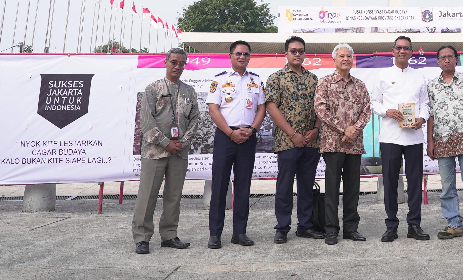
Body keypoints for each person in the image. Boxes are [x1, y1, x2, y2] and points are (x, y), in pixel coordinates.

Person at [132, 47, 200, 254]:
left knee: (174, 195)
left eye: (182, 63)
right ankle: (142, 237)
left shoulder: (189, 91)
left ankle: (169, 234)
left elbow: (195, 120)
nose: (178, 66)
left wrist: (183, 141)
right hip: (155, 152)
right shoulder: (152, 89)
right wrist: (165, 142)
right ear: (166, 62)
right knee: (148, 195)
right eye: (174, 62)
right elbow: (145, 123)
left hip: (179, 152)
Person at [264, 36, 324, 244]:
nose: (297, 54)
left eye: (300, 51)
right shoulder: (276, 78)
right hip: (287, 141)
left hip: (310, 141)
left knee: (307, 185)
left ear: (305, 53)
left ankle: (305, 226)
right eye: (293, 51)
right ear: (286, 53)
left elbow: (320, 107)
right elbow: (272, 107)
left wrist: (316, 129)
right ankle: (282, 227)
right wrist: (292, 134)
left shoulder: (314, 79)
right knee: (285, 185)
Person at [206, 40, 266, 249]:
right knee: (220, 186)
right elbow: (214, 110)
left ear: (250, 57)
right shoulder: (219, 80)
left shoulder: (256, 81)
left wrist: (253, 130)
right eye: (238, 54)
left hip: (248, 137)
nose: (242, 57)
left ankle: (239, 232)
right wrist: (230, 132)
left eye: (246, 54)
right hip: (226, 136)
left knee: (243, 187)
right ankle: (215, 234)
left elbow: (261, 109)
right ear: (230, 56)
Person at [370, 35, 431, 242]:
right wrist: (387, 111)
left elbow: (425, 103)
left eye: (406, 48)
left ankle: (414, 224)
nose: (402, 51)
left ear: (411, 52)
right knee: (390, 182)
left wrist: (422, 118)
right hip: (390, 136)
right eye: (399, 48)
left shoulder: (419, 76)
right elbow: (373, 103)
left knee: (415, 181)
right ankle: (391, 225)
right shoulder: (383, 75)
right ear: (393, 51)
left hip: (413, 137)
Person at [426, 45, 463, 240]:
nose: (447, 60)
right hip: (442, 141)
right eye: (442, 57)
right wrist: (430, 142)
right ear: (438, 61)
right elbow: (431, 116)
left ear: (456, 59)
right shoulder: (432, 85)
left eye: (450, 57)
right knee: (446, 187)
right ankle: (453, 224)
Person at [314, 43, 371, 245]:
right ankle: (331, 230)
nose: (345, 59)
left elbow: (367, 111)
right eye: (341, 56)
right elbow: (321, 110)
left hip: (354, 145)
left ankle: (350, 229)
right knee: (331, 188)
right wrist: (343, 129)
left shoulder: (360, 85)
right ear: (334, 60)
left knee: (352, 188)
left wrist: (354, 130)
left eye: (348, 56)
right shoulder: (325, 83)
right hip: (332, 144)